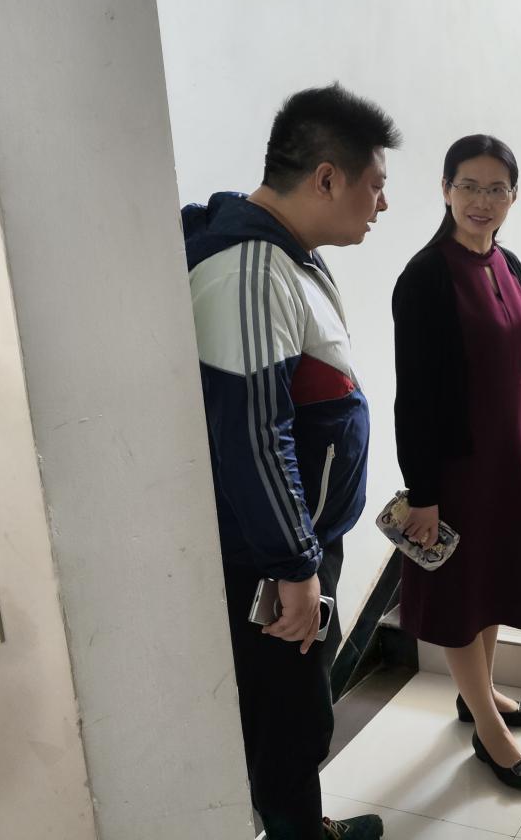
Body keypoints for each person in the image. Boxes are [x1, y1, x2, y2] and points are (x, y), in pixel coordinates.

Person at [183, 83, 400, 840]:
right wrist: (295, 565)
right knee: (286, 719)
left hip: (297, 541)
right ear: (327, 178)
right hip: (272, 558)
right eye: (375, 185)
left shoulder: (286, 256)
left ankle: (305, 826)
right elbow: (253, 431)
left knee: (296, 712)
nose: (382, 204)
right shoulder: (249, 267)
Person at [391, 134, 521, 792]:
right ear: (445, 189)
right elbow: (413, 396)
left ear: (513, 196)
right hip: (457, 466)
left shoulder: (509, 263)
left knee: (493, 577)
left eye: (496, 189)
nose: (482, 201)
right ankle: (487, 726)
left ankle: (479, 693)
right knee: (463, 591)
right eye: (468, 186)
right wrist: (423, 492)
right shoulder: (425, 277)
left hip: (510, 455)